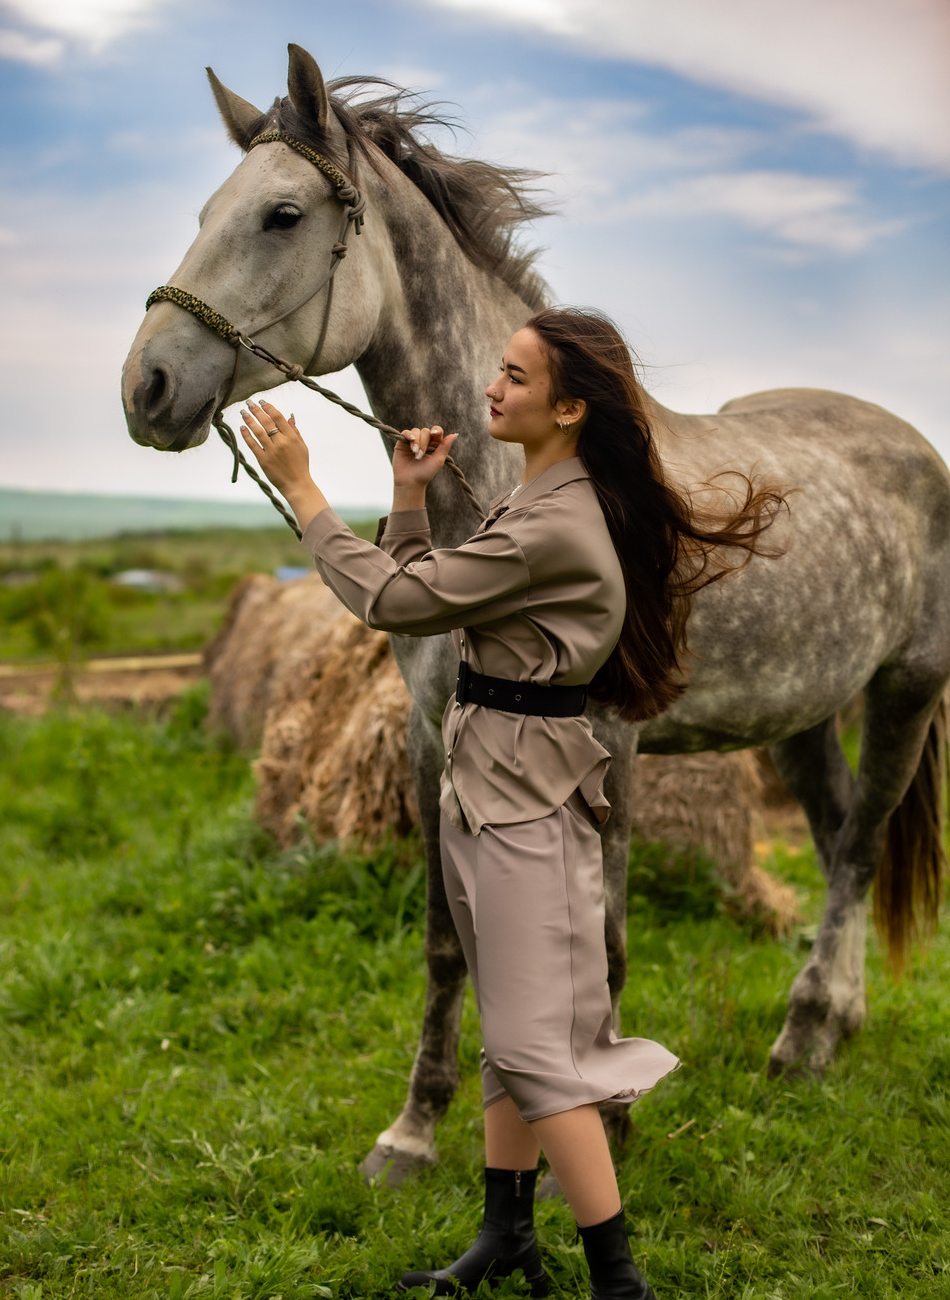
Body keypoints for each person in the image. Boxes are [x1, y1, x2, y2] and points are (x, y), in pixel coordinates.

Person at [239, 307, 785, 1299]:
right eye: (499, 369)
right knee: (511, 1028)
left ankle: (620, 1280)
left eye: (516, 378)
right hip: (487, 783)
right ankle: (506, 1233)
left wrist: (303, 487)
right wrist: (407, 494)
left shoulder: (553, 521)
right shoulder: (539, 494)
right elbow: (423, 586)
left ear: (570, 407)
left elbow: (394, 604)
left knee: (540, 1053)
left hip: (528, 799)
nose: (492, 388)